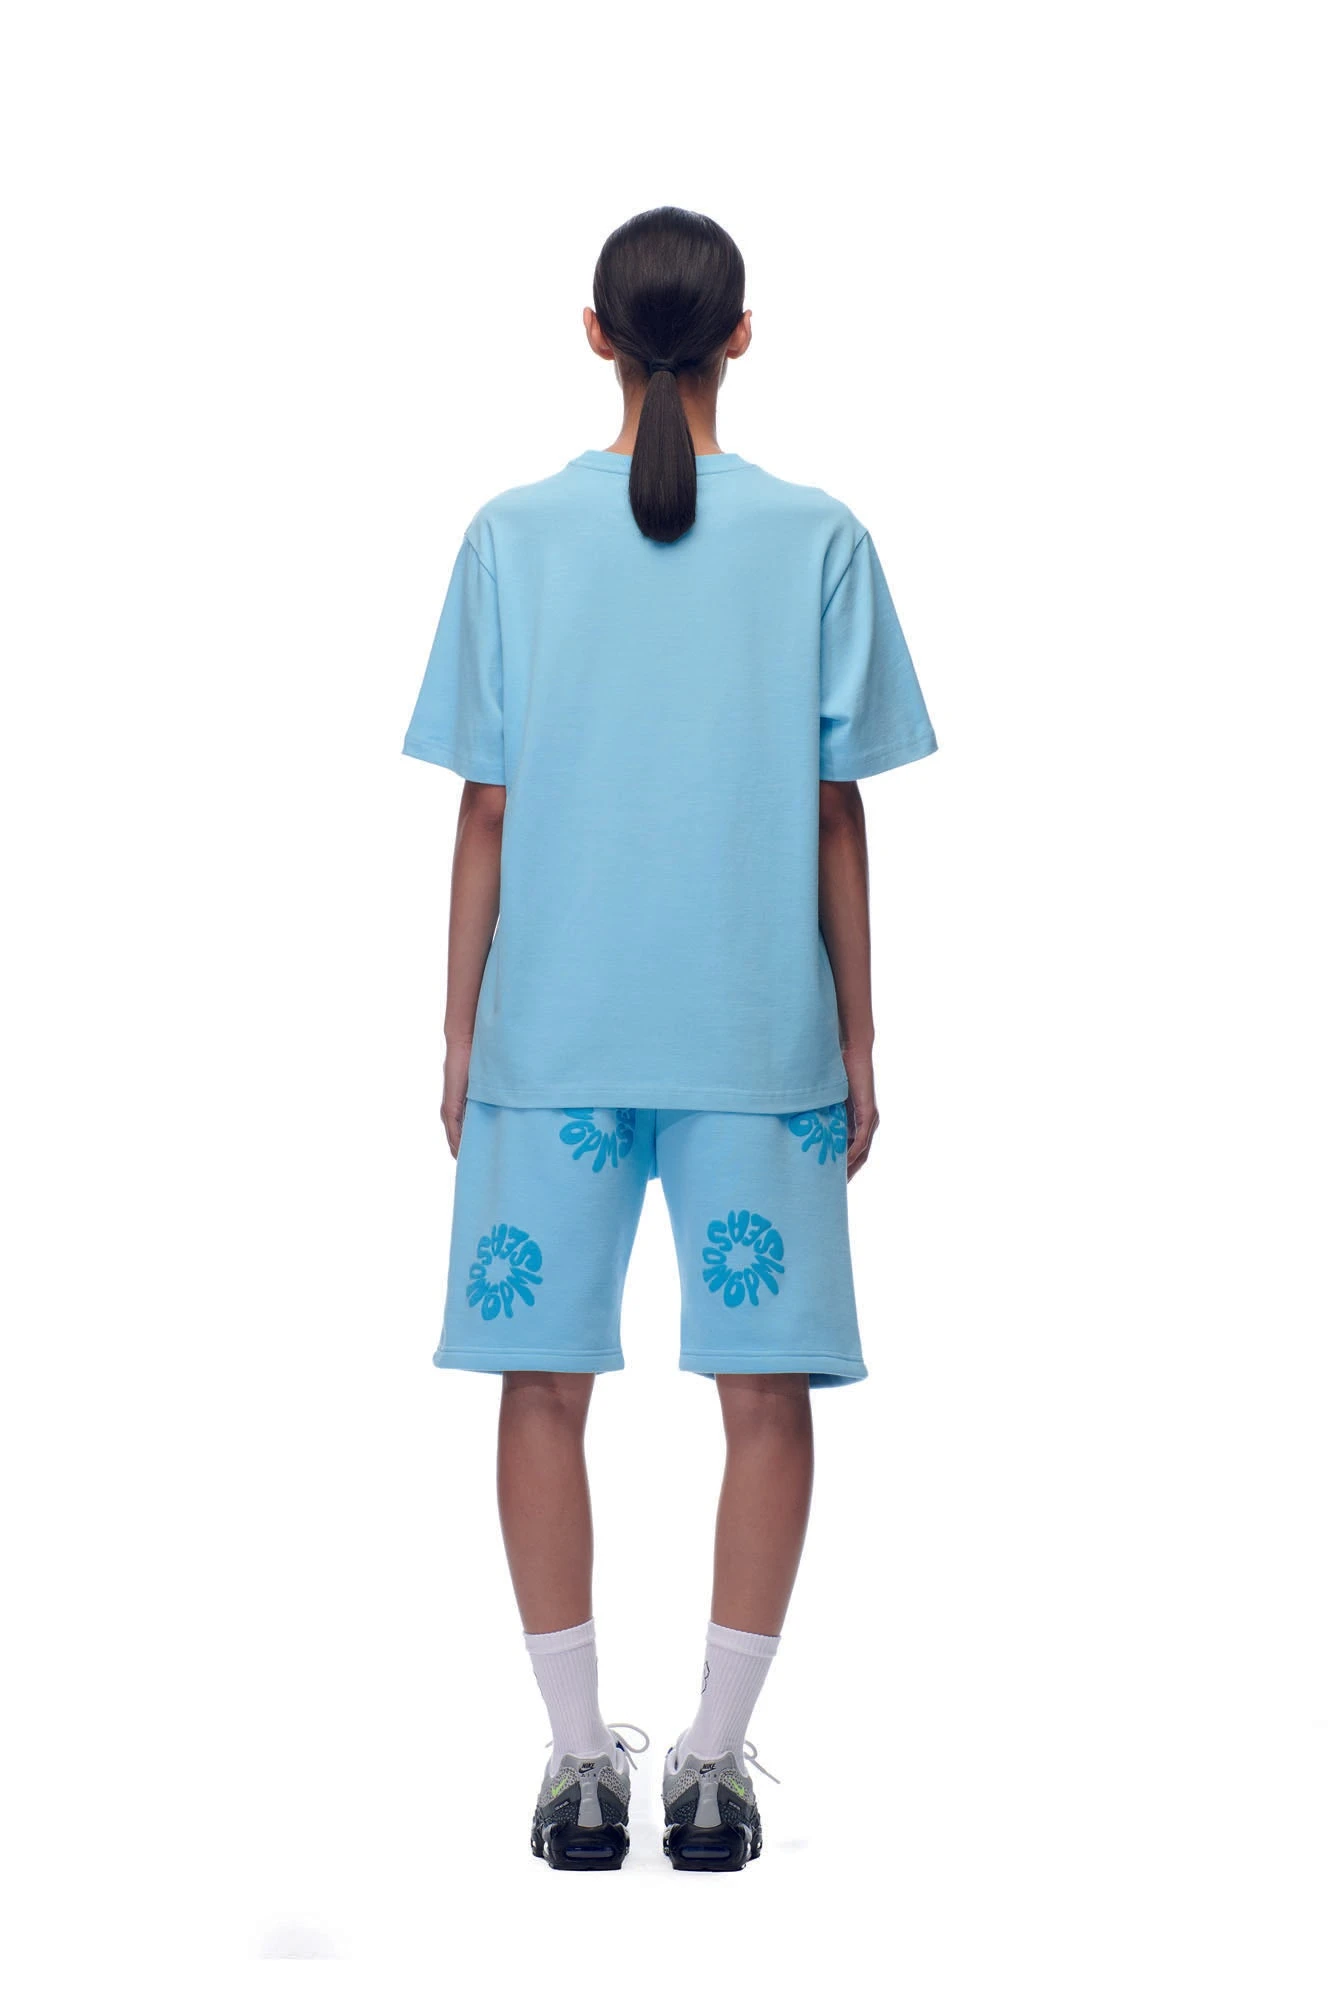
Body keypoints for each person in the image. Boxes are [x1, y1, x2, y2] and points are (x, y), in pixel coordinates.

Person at [402, 206, 938, 1872]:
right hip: (755, 1031)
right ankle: (712, 1769)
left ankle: (578, 1768)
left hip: (552, 1034)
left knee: (540, 1384)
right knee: (766, 1395)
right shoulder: (820, 536)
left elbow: (486, 808)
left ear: (593, 334)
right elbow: (835, 812)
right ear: (742, 337)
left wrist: (458, 1030)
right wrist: (860, 1035)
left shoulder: (510, 536)